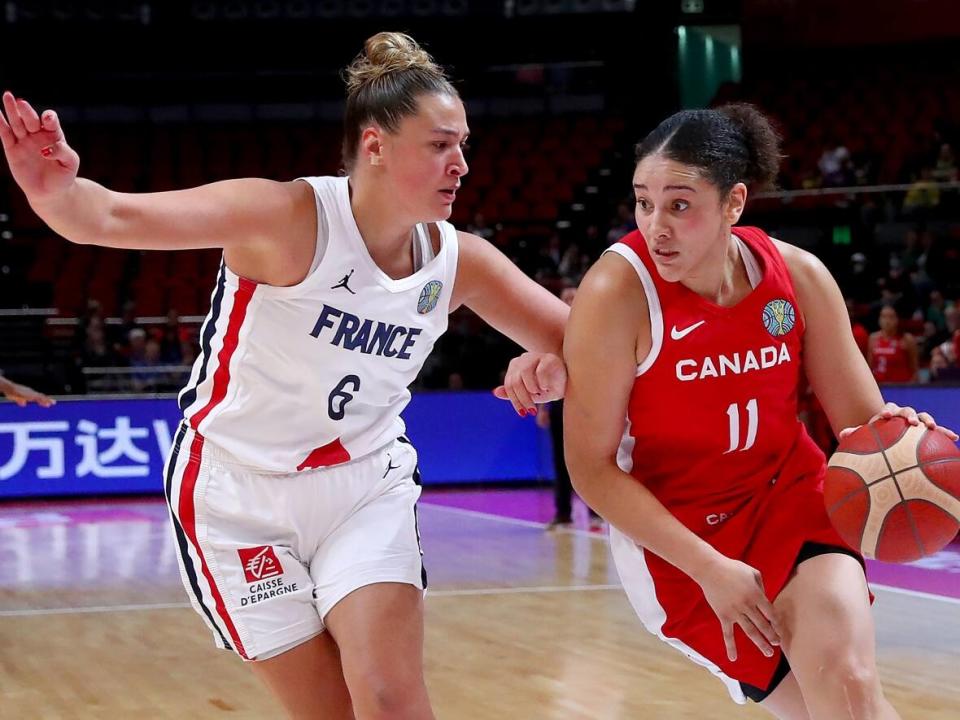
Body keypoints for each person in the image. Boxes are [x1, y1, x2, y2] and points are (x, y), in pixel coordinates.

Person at [1, 32, 566, 719]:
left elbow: (591, 346)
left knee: (390, 700)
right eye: (441, 145)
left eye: (463, 144)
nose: (462, 164)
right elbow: (108, 216)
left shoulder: (460, 261)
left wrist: (551, 365)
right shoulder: (286, 218)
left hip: (364, 486)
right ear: (376, 145)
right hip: (236, 498)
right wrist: (55, 191)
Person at [561, 104, 957, 719]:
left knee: (849, 684)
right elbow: (590, 468)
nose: (655, 226)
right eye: (644, 202)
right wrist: (712, 569)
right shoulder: (617, 292)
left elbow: (861, 424)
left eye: (680, 204)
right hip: (681, 541)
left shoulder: (797, 276)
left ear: (734, 203)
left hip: (791, 496)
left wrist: (905, 442)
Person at [537, 283, 602, 530]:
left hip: (588, 402)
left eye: (574, 297)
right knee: (560, 460)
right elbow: (542, 364)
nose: (570, 301)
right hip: (558, 403)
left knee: (593, 458)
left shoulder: (593, 327)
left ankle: (597, 512)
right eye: (566, 297)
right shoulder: (550, 332)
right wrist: (542, 409)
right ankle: (563, 512)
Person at [868, 305, 918, 384]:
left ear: (897, 319)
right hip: (880, 387)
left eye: (891, 317)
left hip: (901, 387)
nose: (887, 321)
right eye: (883, 316)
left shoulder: (907, 339)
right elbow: (869, 368)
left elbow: (914, 369)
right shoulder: (873, 338)